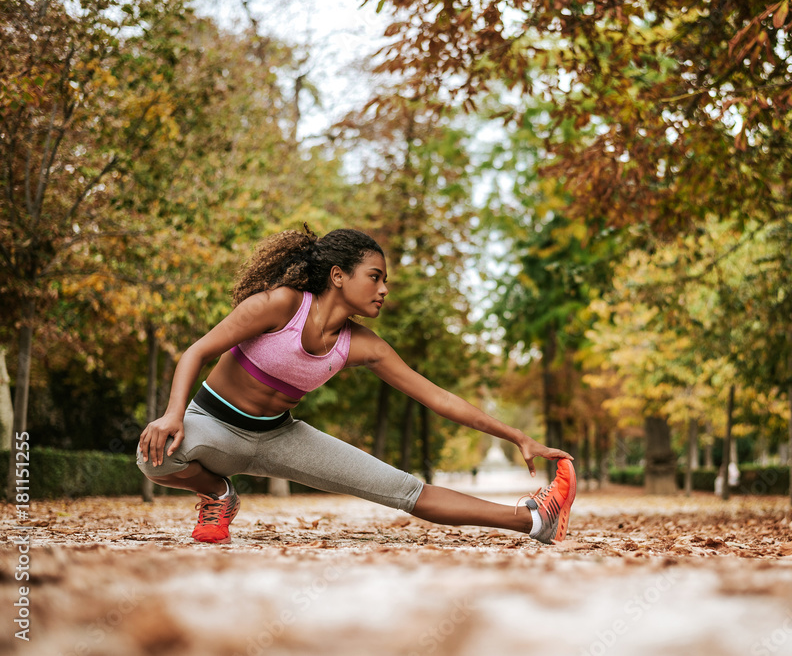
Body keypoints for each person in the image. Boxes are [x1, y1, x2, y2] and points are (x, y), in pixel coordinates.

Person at [137, 227, 576, 545]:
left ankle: (534, 520)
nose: (384, 289)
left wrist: (517, 435)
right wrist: (174, 414)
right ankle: (218, 493)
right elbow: (195, 352)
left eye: (385, 281)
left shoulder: (363, 344)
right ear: (338, 276)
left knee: (404, 489)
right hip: (212, 425)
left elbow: (438, 398)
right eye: (375, 276)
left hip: (279, 436)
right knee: (152, 455)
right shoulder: (277, 305)